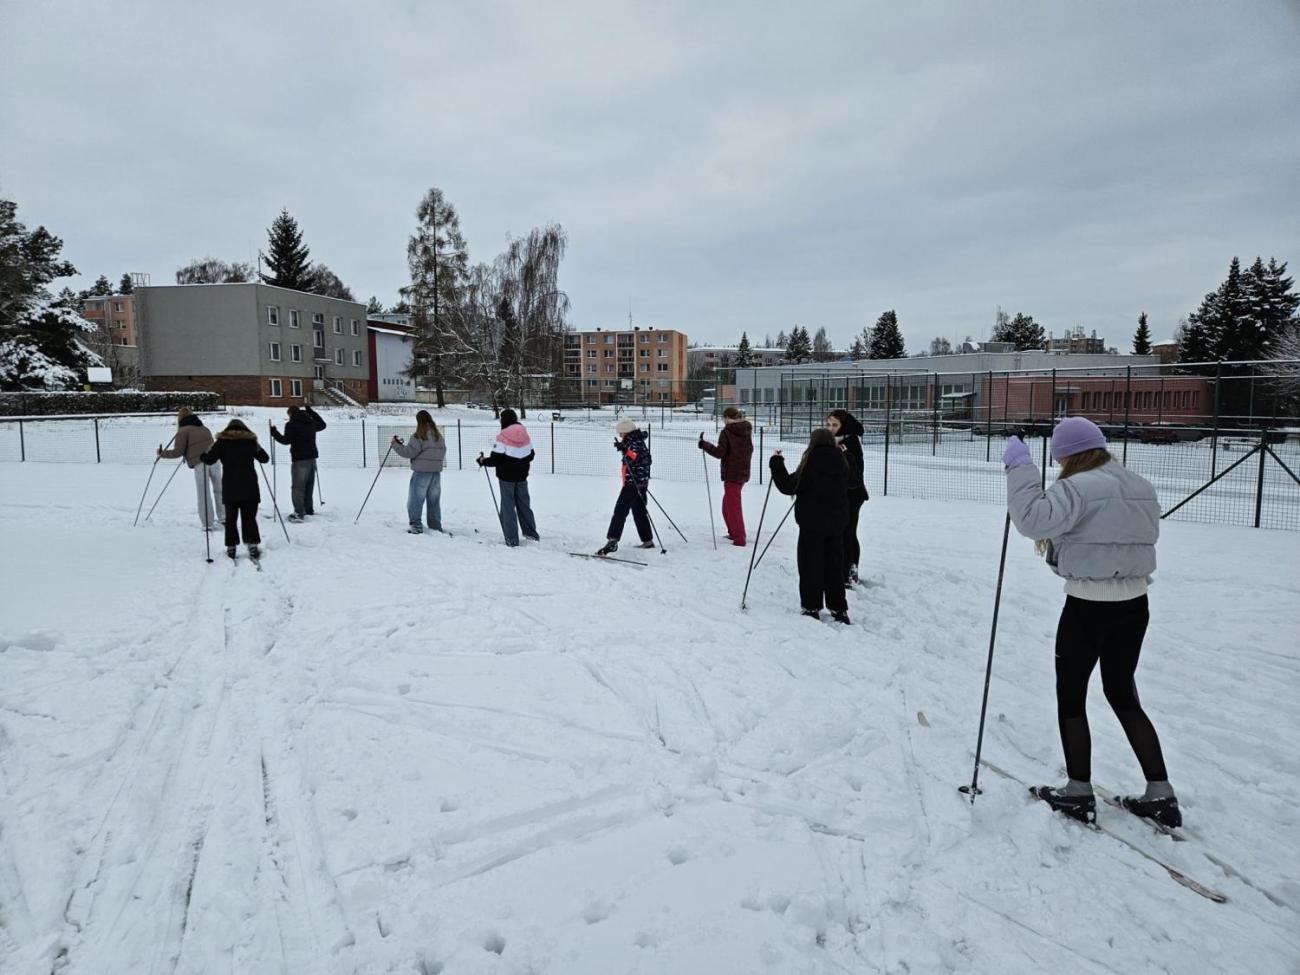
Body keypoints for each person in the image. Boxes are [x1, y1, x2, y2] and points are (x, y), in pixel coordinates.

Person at [1004, 416, 1178, 828]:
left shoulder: (1076, 487)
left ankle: (1078, 791)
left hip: (1087, 605)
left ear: (1068, 456)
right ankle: (1161, 793)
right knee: (1123, 693)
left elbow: (1031, 520)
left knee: (1071, 696)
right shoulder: (1139, 485)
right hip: (1135, 604)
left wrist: (1020, 469)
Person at [768, 429, 851, 623]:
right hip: (836, 523)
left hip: (812, 524)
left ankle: (811, 606)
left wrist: (776, 462)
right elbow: (853, 481)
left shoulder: (812, 461)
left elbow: (788, 485)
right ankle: (838, 608)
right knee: (834, 567)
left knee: (810, 565)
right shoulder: (841, 460)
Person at [200, 419, 271, 560]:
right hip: (249, 485)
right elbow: (265, 459)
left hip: (230, 485)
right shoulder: (250, 442)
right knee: (249, 517)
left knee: (231, 518)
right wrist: (256, 445)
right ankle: (252, 544)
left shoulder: (222, 442)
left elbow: (209, 460)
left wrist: (203, 455)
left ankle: (231, 547)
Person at [476, 408, 539, 547]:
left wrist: (483, 461)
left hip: (506, 478)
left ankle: (511, 539)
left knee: (508, 507)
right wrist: (519, 461)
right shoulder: (524, 434)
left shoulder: (502, 436)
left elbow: (496, 459)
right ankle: (531, 534)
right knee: (524, 505)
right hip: (522, 476)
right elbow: (531, 455)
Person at [596, 418, 656, 556]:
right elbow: (637, 457)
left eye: (621, 433)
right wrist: (624, 449)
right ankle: (647, 540)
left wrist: (625, 450)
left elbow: (639, 458)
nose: (620, 435)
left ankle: (612, 540)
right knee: (639, 512)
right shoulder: (635, 441)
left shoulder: (634, 442)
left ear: (626, 432)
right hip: (639, 483)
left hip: (633, 483)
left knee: (620, 511)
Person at [157, 407, 223, 529]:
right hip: (215, 461)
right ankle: (224, 517)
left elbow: (178, 452)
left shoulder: (182, 431)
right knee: (219, 489)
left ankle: (208, 523)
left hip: (200, 463)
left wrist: (162, 454)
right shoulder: (204, 428)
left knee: (203, 493)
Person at [698, 406, 753, 546]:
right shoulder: (746, 430)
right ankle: (733, 532)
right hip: (742, 473)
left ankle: (739, 537)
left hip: (732, 475)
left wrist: (704, 445)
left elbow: (720, 453)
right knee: (727, 505)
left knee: (733, 507)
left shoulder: (727, 432)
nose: (723, 421)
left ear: (727, 418)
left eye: (723, 418)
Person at [825, 409, 868, 585]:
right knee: (838, 533)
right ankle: (838, 569)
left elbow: (855, 474)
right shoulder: (833, 441)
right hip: (838, 495)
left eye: (835, 425)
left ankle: (850, 571)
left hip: (852, 495)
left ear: (844, 426)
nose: (830, 428)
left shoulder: (850, 442)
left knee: (848, 532)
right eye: (828, 424)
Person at [392, 410, 447, 534]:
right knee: (434, 501)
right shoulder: (438, 436)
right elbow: (443, 451)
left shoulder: (418, 436)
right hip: (435, 473)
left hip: (421, 473)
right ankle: (435, 526)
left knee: (416, 500)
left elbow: (409, 452)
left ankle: (416, 526)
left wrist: (395, 445)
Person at [270, 405, 327, 523]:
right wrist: (311, 412)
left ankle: (299, 513)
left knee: (298, 487)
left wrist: (274, 433)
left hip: (299, 459)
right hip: (312, 459)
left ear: (291, 414)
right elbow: (323, 425)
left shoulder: (291, 425)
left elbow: (286, 440)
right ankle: (308, 509)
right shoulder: (310, 422)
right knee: (309, 486)